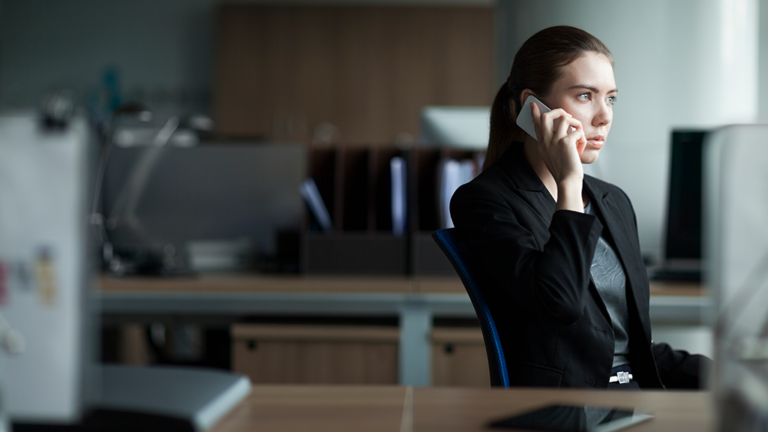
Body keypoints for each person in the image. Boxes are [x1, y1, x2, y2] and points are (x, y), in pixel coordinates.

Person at [450, 26, 709, 390]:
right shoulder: (486, 201)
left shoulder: (612, 200)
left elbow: (634, 349)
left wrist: (734, 371)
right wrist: (569, 184)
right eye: (586, 96)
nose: (604, 116)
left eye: (611, 98)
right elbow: (560, 304)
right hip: (568, 410)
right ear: (532, 107)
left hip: (632, 396)